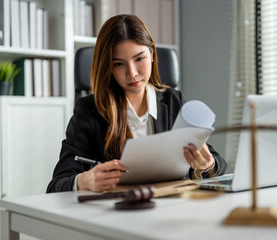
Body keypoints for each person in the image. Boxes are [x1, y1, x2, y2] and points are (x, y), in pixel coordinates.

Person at [46, 14, 227, 193]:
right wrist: (83, 181)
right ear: (108, 68)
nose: (132, 73)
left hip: (171, 208)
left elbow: (217, 162)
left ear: (152, 55)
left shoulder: (173, 101)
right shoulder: (90, 111)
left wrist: (205, 165)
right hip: (118, 213)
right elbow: (56, 185)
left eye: (139, 59)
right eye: (118, 64)